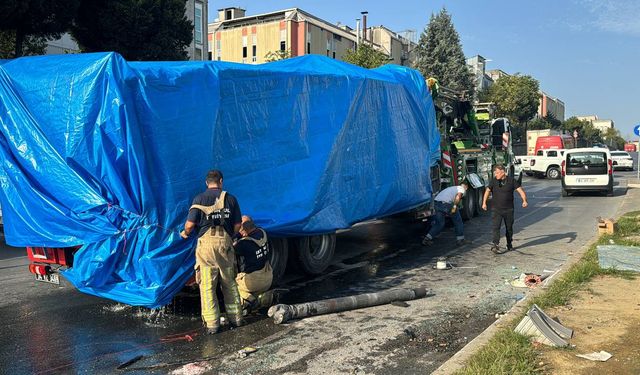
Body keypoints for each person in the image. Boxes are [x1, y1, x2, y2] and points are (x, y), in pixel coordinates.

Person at [180, 170, 243, 334]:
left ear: (207, 183)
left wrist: (185, 234)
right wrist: (230, 237)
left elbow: (189, 225)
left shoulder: (199, 199)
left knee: (207, 285)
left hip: (206, 247)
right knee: (229, 282)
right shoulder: (231, 199)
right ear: (221, 181)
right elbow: (237, 225)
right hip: (225, 244)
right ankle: (236, 319)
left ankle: (213, 324)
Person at [481, 164, 528, 254]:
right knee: (496, 227)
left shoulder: (511, 181)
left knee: (509, 228)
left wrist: (524, 200)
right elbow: (487, 190)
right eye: (495, 173)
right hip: (496, 209)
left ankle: (509, 243)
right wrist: (484, 202)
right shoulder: (494, 181)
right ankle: (495, 244)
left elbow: (520, 191)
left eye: (497, 173)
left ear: (503, 172)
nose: (496, 175)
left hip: (509, 209)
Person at [233, 215, 274, 315]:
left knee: (229, 284)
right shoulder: (263, 232)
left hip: (254, 281)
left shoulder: (244, 244)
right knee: (255, 288)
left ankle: (250, 300)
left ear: (243, 230)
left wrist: (236, 235)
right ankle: (262, 297)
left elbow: (229, 249)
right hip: (268, 276)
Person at [422, 181, 471, 247]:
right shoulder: (462, 188)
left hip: (437, 203)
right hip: (446, 204)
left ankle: (426, 239)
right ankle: (460, 240)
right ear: (466, 187)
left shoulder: (452, 188)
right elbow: (458, 196)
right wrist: (454, 207)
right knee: (458, 221)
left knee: (439, 224)